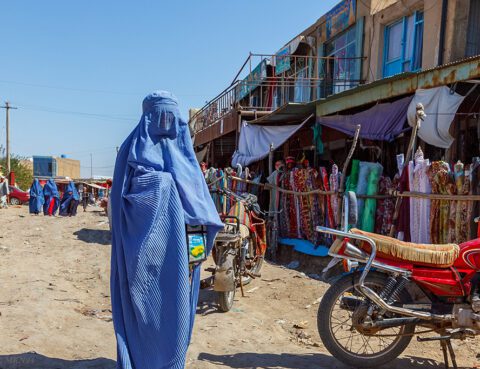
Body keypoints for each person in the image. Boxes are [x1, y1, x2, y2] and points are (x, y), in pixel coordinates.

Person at [110, 91, 223, 369]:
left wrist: (196, 254)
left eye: (171, 117)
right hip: (141, 256)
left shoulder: (187, 159)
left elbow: (201, 209)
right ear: (146, 116)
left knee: (177, 313)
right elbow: (119, 208)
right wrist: (164, 188)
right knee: (141, 312)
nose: (165, 124)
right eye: (158, 116)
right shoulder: (129, 153)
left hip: (185, 253)